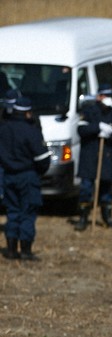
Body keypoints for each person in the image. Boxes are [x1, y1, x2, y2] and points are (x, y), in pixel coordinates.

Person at [0, 96, 51, 260]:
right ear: (28, 113)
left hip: (8, 175)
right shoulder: (31, 131)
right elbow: (43, 159)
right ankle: (26, 251)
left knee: (12, 211)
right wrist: (39, 172)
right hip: (27, 175)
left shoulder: (4, 129)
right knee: (28, 212)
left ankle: (11, 249)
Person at [75, 84, 112, 231]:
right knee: (86, 189)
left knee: (106, 190)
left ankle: (107, 218)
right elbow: (81, 130)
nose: (107, 99)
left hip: (107, 156)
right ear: (99, 97)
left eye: (110, 96)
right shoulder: (89, 112)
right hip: (90, 156)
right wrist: (97, 127)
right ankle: (83, 218)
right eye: (105, 96)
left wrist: (110, 134)